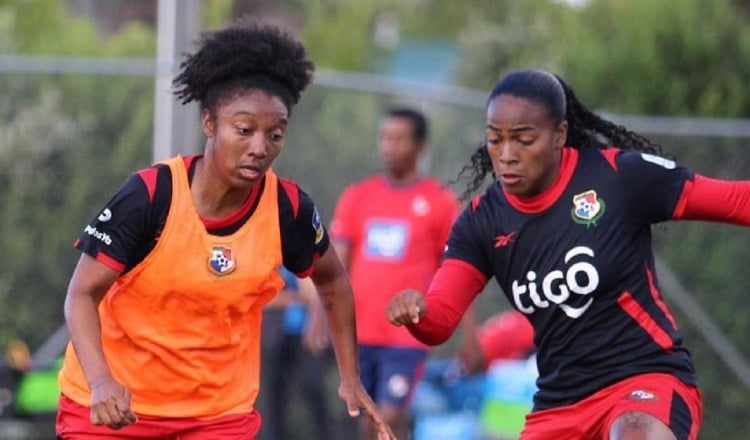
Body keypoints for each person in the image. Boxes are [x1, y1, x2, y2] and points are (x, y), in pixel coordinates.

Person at [55, 19, 394, 440]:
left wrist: (350, 377)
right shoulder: (151, 195)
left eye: (275, 134)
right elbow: (81, 294)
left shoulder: (286, 207)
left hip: (217, 415)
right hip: (117, 409)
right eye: (244, 129)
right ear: (210, 123)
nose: (260, 146)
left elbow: (333, 281)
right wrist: (102, 380)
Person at [387, 68, 750, 440]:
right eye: (495, 140)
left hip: (645, 380)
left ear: (559, 134)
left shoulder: (617, 177)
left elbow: (738, 200)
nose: (506, 155)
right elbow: (440, 320)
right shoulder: (482, 222)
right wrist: (417, 311)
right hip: (560, 404)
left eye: (524, 139)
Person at [329, 107, 462, 440]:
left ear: (420, 147)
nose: (389, 146)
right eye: (385, 137)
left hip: (406, 336)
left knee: (390, 415)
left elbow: (457, 272)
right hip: (361, 332)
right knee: (366, 420)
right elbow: (334, 264)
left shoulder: (439, 202)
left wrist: (469, 335)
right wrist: (321, 314)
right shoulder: (359, 196)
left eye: (399, 138)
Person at [257, 267, 331, 440]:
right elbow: (256, 297)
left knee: (314, 391)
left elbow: (311, 293)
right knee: (272, 399)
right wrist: (291, 298)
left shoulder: (300, 253)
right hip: (272, 336)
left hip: (304, 336)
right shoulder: (264, 257)